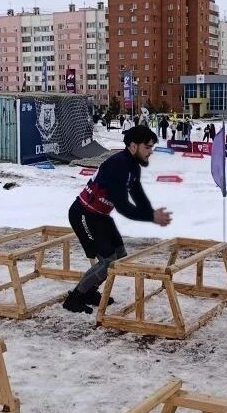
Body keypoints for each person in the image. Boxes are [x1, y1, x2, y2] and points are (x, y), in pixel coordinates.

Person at [64, 125, 173, 313]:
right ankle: (75, 298)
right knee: (107, 262)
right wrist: (151, 216)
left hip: (100, 216)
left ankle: (89, 291)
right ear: (133, 146)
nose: (150, 152)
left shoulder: (132, 166)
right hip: (84, 214)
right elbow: (123, 206)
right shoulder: (118, 165)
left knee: (119, 255)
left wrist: (151, 213)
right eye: (147, 147)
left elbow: (137, 194)